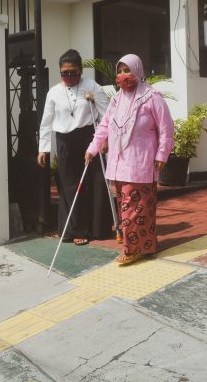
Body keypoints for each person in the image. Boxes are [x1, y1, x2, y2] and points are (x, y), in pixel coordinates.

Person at [85, 54, 174, 265]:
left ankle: (132, 249)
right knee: (128, 206)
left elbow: (166, 127)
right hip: (118, 164)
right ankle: (147, 245)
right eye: (120, 71)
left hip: (140, 163)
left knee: (136, 209)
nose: (123, 75)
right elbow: (104, 126)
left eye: (127, 70)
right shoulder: (116, 100)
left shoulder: (152, 97)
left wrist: (162, 153)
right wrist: (93, 148)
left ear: (138, 71)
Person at [37, 49, 113, 244]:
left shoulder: (92, 86)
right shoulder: (54, 92)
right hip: (65, 141)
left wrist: (105, 139)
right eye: (65, 73)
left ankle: (98, 229)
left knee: (96, 181)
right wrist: (43, 148)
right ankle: (75, 230)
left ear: (81, 71)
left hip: (89, 138)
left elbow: (106, 115)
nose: (69, 77)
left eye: (74, 73)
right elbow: (46, 121)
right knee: (70, 185)